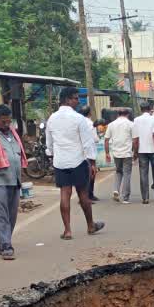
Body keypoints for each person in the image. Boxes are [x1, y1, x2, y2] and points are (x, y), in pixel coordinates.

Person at [45, 87, 104, 239]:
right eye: (76, 98)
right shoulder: (79, 119)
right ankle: (90, 225)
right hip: (78, 160)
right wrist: (92, 163)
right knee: (83, 194)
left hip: (60, 162)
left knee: (64, 194)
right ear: (67, 100)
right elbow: (87, 143)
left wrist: (52, 157)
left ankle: (67, 230)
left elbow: (49, 144)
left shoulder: (51, 118)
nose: (78, 101)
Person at [0, 104, 26, 260]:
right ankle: (6, 246)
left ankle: (1, 242)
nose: (7, 125)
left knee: (12, 216)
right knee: (1, 215)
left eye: (9, 121)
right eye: (3, 122)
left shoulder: (13, 134)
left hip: (14, 180)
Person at [131, 100, 154, 203]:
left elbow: (135, 139)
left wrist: (135, 152)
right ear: (149, 109)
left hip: (141, 150)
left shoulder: (136, 120)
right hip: (152, 150)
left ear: (141, 109)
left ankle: (145, 197)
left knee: (143, 174)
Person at [104, 107, 134, 203]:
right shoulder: (131, 124)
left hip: (116, 153)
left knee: (118, 172)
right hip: (127, 153)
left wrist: (107, 153)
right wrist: (135, 152)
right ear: (127, 114)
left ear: (118, 115)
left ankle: (116, 189)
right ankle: (125, 197)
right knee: (127, 174)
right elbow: (135, 140)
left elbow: (106, 140)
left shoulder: (111, 125)